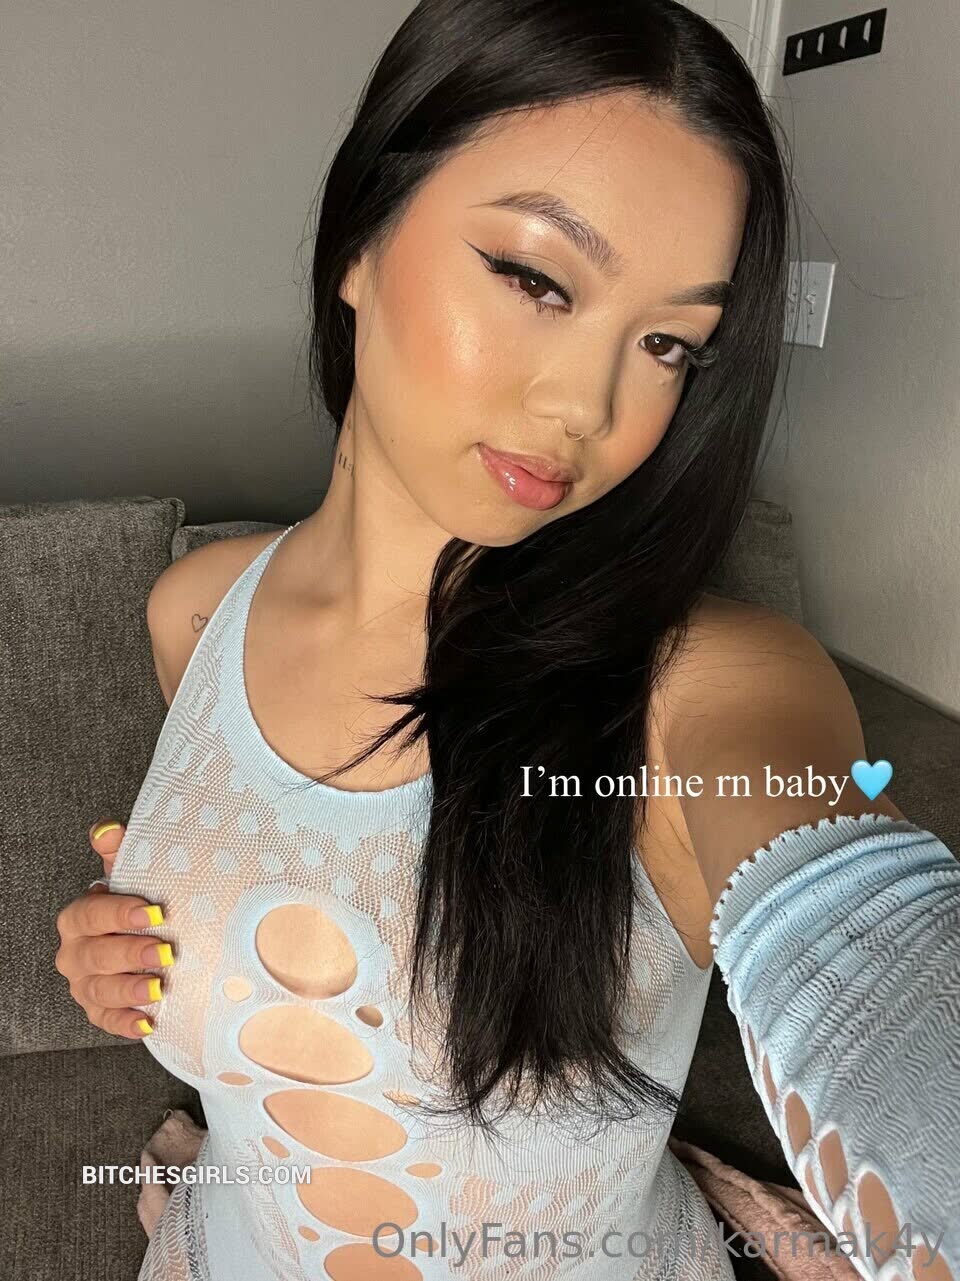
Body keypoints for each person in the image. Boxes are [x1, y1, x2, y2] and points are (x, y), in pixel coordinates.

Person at [53, 2, 960, 1279]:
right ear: (360, 240)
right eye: (537, 280)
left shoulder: (696, 687)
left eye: (667, 345)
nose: (586, 405)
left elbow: (872, 963)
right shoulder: (194, 613)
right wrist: (133, 950)